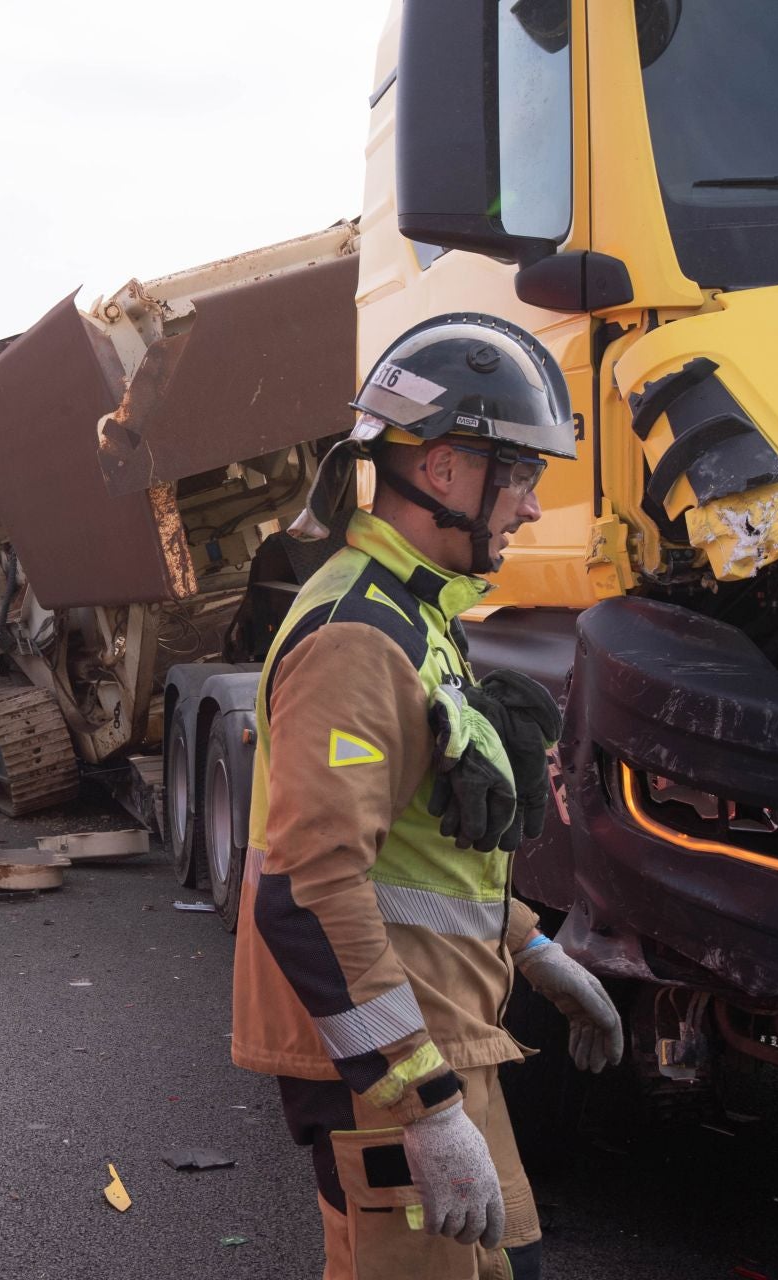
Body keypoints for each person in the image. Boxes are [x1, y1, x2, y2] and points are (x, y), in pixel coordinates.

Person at [231, 313, 625, 1280]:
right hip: (393, 1069)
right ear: (445, 470)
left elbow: (417, 849)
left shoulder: (415, 614)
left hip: (443, 1037)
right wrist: (425, 1107)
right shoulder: (357, 637)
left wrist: (532, 948)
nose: (532, 507)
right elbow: (307, 892)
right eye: (521, 475)